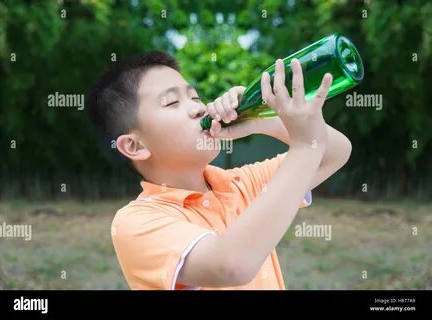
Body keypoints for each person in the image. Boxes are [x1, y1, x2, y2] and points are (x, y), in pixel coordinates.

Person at [87, 51, 352, 290]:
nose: (199, 108)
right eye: (171, 103)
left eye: (195, 97)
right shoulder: (136, 223)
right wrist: (304, 146)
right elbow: (231, 265)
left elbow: (333, 153)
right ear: (134, 145)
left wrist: (261, 119)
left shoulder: (242, 182)